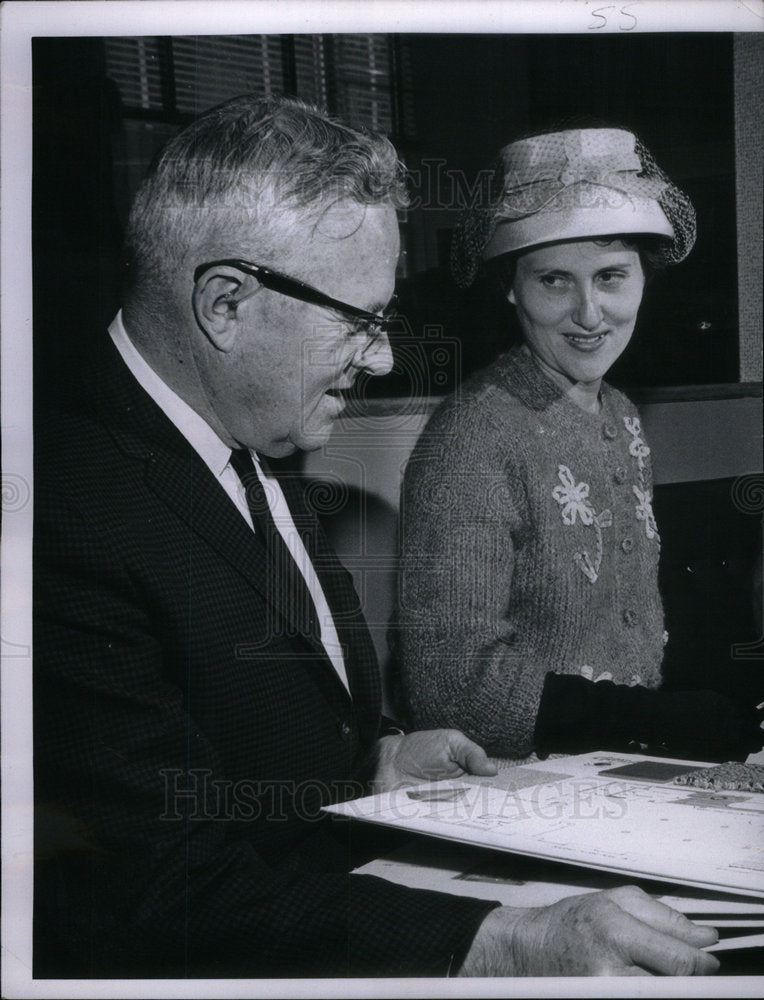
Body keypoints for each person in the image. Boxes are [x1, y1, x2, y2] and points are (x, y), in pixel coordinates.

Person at [34, 97, 720, 979]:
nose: (384, 359)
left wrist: (375, 758)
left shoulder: (255, 432)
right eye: (358, 320)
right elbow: (161, 892)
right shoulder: (58, 516)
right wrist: (505, 943)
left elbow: (247, 741)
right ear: (225, 304)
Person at [398, 125, 763, 764]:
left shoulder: (619, 412)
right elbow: (451, 684)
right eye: (556, 281)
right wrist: (657, 721)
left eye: (612, 277)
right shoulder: (471, 436)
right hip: (522, 792)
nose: (590, 314)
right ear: (512, 286)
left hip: (622, 765)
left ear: (644, 280)